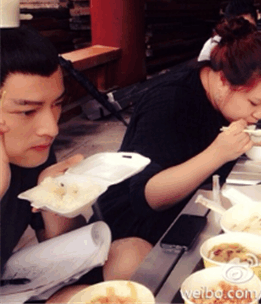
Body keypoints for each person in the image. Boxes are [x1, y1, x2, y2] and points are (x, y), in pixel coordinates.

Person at [97, 17, 261, 245]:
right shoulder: (168, 102)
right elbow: (148, 197)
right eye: (254, 103)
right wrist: (218, 153)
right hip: (133, 225)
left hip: (193, 204)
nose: (260, 115)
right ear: (223, 81)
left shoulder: (224, 100)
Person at [0, 26, 152, 302]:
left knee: (132, 254)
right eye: (27, 111)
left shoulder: (32, 149)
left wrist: (54, 194)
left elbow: (59, 244)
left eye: (56, 104)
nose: (51, 128)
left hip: (15, 280)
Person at [197, 0, 261, 62]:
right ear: (227, 25)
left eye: (249, 28)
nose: (244, 32)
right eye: (239, 27)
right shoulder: (214, 45)